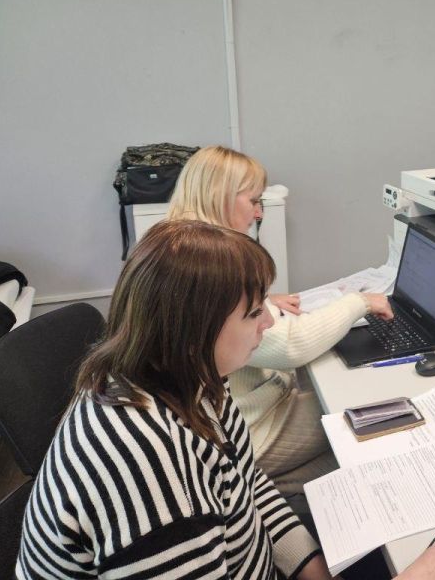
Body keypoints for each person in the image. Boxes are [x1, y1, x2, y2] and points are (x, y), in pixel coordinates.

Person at [16, 220, 435, 580]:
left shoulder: (194, 382)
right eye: (254, 312)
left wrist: (317, 572)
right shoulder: (142, 457)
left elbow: (249, 487)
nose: (270, 322)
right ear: (195, 331)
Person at [167, 146, 393, 494]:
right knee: (372, 414)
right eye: (253, 201)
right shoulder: (212, 264)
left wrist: (264, 301)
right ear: (220, 195)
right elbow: (290, 346)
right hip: (244, 429)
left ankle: (267, 495)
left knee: (349, 448)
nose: (259, 213)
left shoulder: (175, 246)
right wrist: (359, 302)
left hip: (225, 417)